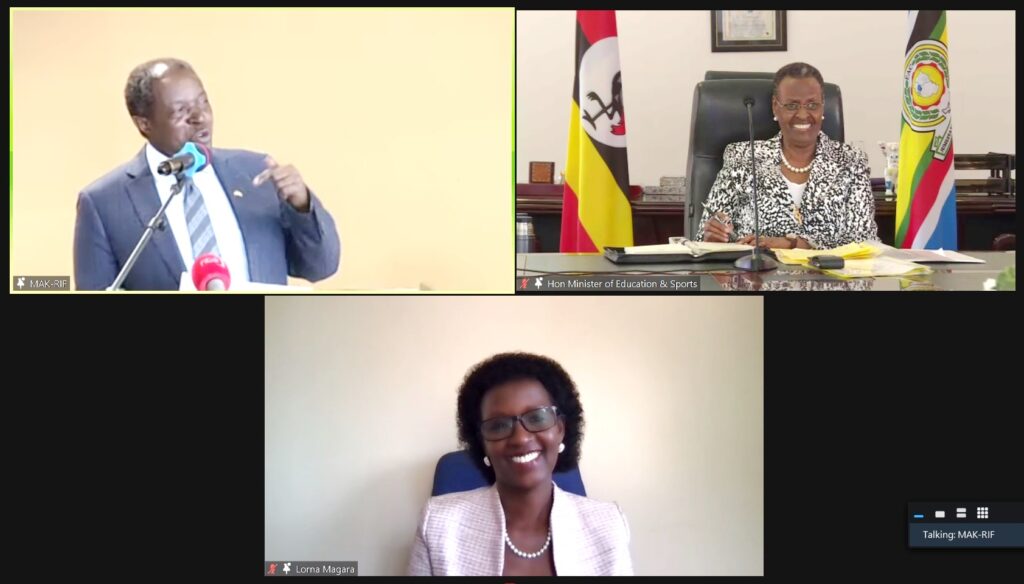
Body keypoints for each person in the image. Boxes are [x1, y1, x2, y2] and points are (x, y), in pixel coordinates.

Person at [73, 58, 340, 290]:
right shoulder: (104, 203)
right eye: (181, 111)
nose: (200, 117)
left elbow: (320, 267)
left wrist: (302, 205)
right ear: (144, 124)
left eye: (203, 102)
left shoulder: (255, 173)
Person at [407, 352, 633, 576]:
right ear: (482, 442)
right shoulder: (438, 525)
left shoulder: (608, 525)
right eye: (498, 425)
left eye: (537, 418)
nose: (520, 438)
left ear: (560, 429)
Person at [697, 62, 878, 250]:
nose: (802, 114)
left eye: (812, 105)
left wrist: (792, 244)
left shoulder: (851, 161)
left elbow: (865, 240)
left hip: (829, 277)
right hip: (756, 275)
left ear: (823, 107)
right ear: (776, 107)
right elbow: (703, 238)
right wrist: (714, 236)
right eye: (792, 105)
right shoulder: (742, 157)